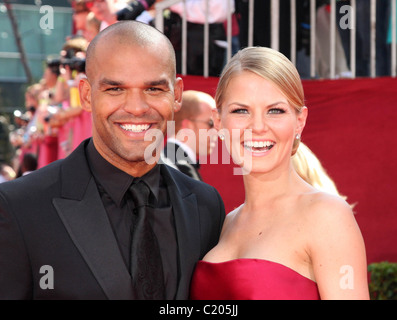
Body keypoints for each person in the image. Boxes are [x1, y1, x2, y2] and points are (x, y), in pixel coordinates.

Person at [0, 20, 225, 300]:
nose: (136, 108)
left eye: (154, 89)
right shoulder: (19, 207)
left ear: (176, 95)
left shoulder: (206, 205)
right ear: (86, 95)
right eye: (115, 89)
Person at [190, 46, 369, 300]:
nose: (258, 127)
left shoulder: (327, 215)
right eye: (241, 110)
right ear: (218, 122)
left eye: (275, 110)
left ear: (300, 121)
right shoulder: (225, 223)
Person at [161, 90, 218, 181]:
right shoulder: (171, 169)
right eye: (211, 123)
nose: (216, 131)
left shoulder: (169, 165)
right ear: (187, 126)